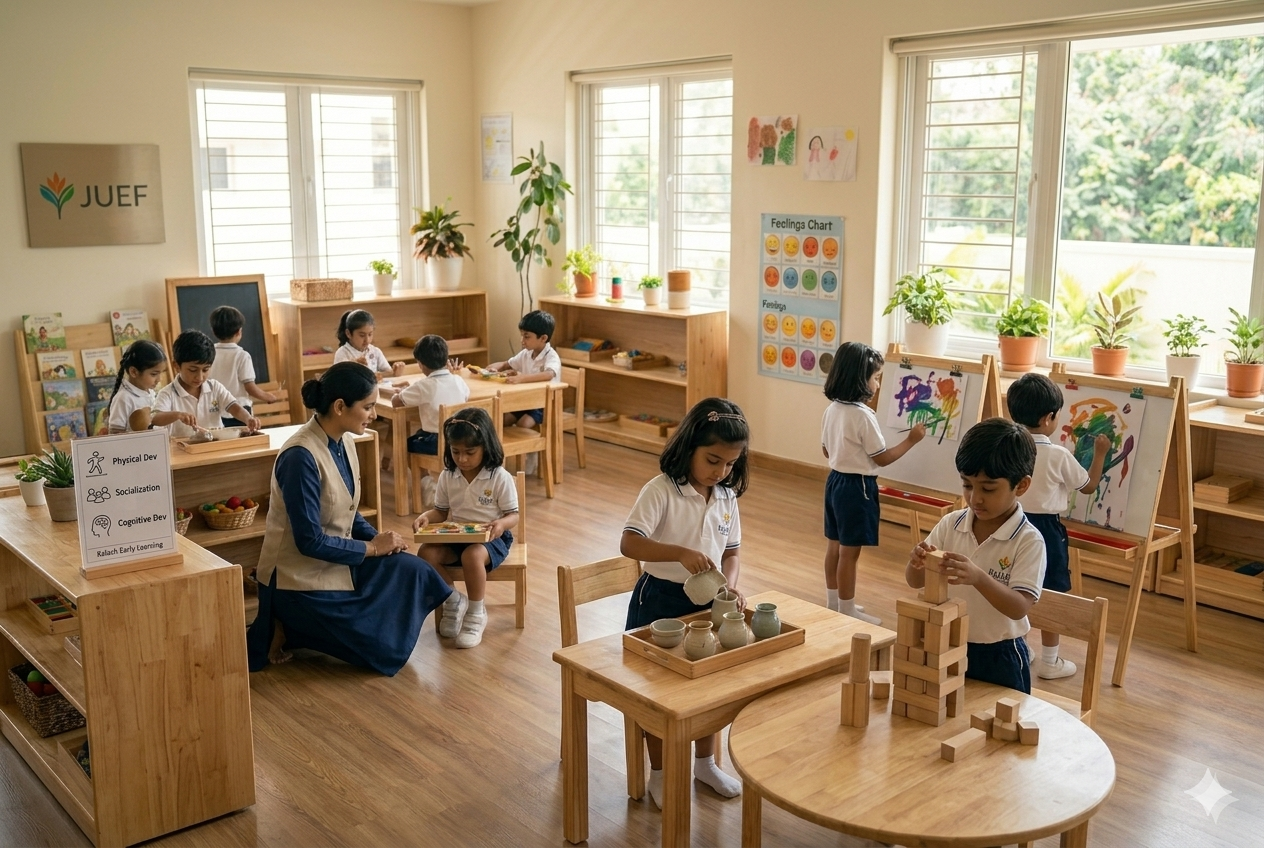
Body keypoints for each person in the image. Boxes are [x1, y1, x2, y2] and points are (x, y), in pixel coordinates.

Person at [246, 362, 455, 674]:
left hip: (337, 557)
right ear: (340, 406)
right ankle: (285, 622)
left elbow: (346, 507)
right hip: (296, 577)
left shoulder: (344, 439)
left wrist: (381, 540)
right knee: (381, 649)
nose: (373, 414)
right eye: (368, 407)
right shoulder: (299, 457)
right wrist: (372, 549)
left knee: (412, 569)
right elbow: (308, 541)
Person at [619, 397, 749, 808]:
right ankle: (658, 773)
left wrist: (728, 587)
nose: (721, 471)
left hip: (707, 603)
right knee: (659, 694)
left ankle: (705, 763)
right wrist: (678, 552)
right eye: (712, 460)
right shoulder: (660, 490)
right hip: (658, 599)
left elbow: (731, 552)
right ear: (689, 445)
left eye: (730, 464)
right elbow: (629, 543)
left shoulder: (726, 496)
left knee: (708, 684)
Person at [905, 418, 1046, 694]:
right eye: (967, 485)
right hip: (948, 643)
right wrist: (917, 561)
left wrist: (978, 578)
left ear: (1022, 485)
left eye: (988, 488)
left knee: (998, 725)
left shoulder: (1028, 540)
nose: (975, 498)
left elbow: (1019, 606)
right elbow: (914, 581)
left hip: (1001, 654)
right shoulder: (951, 524)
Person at [1007, 373, 1110, 679]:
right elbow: (1088, 486)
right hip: (1046, 531)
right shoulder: (1057, 453)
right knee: (1050, 590)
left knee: (1013, 586)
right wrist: (1100, 453)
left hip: (1011, 522)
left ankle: (1019, 648)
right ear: (1049, 418)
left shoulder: (1010, 447)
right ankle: (1050, 661)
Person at [821, 342, 925, 624]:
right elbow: (882, 458)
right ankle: (847, 609)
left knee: (834, 547)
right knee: (849, 554)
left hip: (834, 482)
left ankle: (834, 602)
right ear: (859, 379)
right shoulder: (863, 415)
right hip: (857, 489)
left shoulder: (833, 409)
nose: (879, 384)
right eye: (876, 377)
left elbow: (826, 451)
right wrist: (912, 440)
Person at [412, 407, 517, 649]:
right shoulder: (448, 476)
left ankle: (476, 612)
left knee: (472, 555)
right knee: (426, 553)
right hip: (456, 535)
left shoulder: (498, 476)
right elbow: (440, 511)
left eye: (470, 452)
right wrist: (426, 517)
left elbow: (513, 516)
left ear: (485, 447)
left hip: (492, 540)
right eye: (456, 452)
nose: (462, 459)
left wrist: (500, 524)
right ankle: (452, 599)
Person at [392, 335, 470, 506]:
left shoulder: (423, 385)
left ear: (420, 364)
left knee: (404, 446)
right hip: (459, 439)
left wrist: (402, 391)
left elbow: (396, 402)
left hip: (435, 442)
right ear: (446, 358)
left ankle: (429, 484)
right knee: (419, 436)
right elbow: (465, 395)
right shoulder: (458, 380)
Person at [154, 330, 260, 439]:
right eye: (193, 370)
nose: (200, 377)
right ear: (176, 366)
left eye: (205, 370)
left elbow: (234, 407)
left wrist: (248, 418)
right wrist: (178, 415)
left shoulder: (214, 387)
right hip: (184, 449)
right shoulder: (168, 394)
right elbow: (155, 418)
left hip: (214, 445)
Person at [487, 309, 561, 430]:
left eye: (526, 337)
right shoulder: (526, 353)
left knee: (523, 424)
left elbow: (549, 374)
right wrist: (494, 367)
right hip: (526, 400)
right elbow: (507, 364)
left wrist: (522, 378)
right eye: (522, 336)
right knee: (503, 419)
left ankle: (530, 448)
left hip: (543, 403)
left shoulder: (551, 356)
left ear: (543, 338)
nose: (522, 341)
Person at [106, 339, 196, 434]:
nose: (159, 379)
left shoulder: (150, 393)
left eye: (161, 373)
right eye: (154, 374)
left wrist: (178, 415)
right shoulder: (123, 398)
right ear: (134, 372)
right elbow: (114, 433)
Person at [208, 305, 279, 426]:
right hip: (239, 410)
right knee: (243, 442)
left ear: (213, 331)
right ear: (239, 331)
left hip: (214, 409)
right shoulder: (242, 356)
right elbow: (250, 387)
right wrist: (267, 396)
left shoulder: (209, 353)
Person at [333, 309, 406, 396]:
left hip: (374, 395)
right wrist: (352, 366)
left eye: (370, 334)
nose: (367, 340)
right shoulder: (342, 353)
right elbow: (338, 380)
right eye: (362, 335)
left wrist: (394, 373)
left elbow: (386, 373)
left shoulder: (375, 351)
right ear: (348, 333)